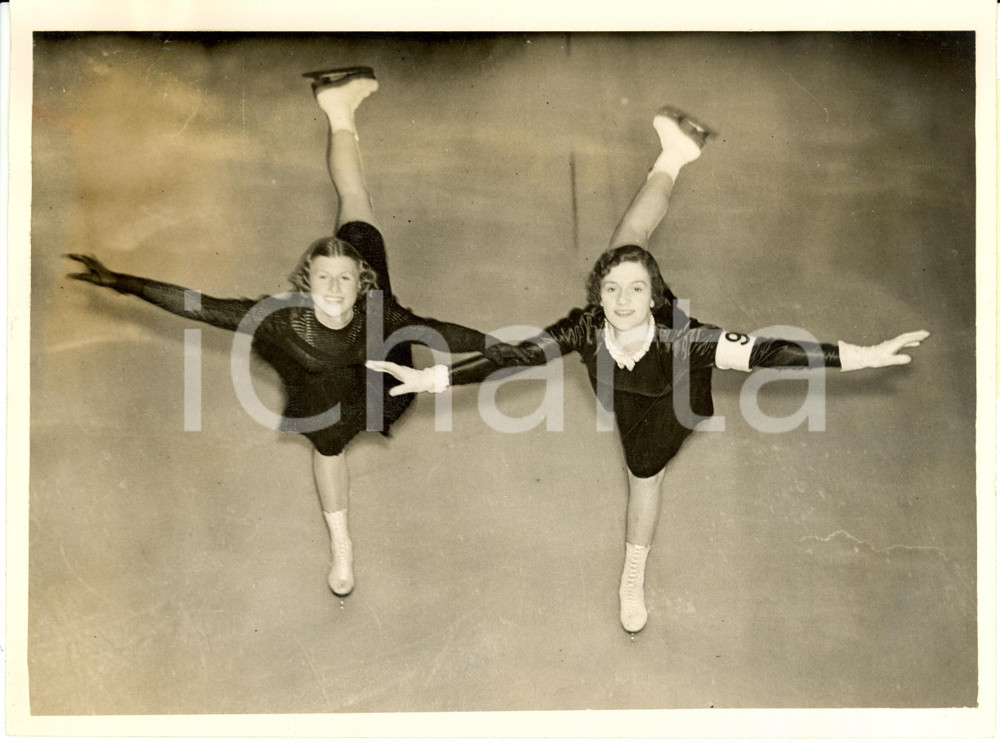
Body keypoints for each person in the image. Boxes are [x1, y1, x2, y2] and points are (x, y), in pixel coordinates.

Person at [367, 106, 930, 633]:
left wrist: (863, 356)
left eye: (635, 289)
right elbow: (513, 355)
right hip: (629, 387)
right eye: (610, 289)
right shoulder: (587, 323)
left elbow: (773, 353)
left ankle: (632, 572)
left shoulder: (689, 338)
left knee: (645, 478)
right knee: (627, 242)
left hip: (670, 402)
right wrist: (432, 378)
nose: (621, 298)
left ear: (656, 296)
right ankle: (676, 153)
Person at [66, 67, 495, 600]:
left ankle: (339, 111)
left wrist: (507, 348)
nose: (335, 289)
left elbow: (445, 333)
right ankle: (342, 548)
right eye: (324, 279)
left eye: (345, 279)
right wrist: (122, 281)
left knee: (355, 199)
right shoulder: (277, 318)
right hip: (320, 391)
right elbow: (199, 306)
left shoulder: (379, 307)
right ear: (305, 283)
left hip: (377, 378)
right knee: (327, 446)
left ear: (361, 282)